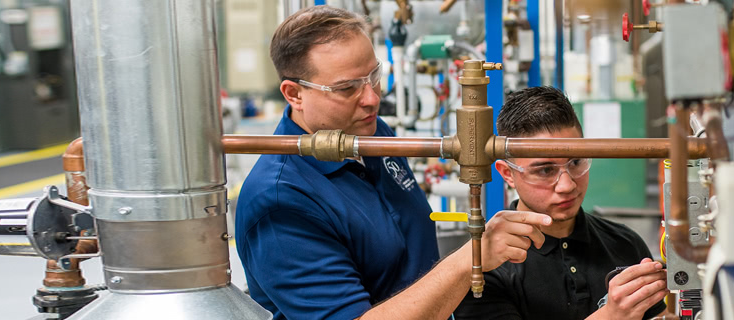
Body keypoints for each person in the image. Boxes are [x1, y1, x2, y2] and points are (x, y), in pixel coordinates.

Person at [235, 6, 551, 320]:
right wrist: (470, 257)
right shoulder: (280, 202)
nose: (372, 98)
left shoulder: (371, 133)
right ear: (294, 94)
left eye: (374, 76)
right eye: (347, 88)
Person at [454, 87, 669, 320]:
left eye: (576, 161)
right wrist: (611, 316)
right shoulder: (484, 266)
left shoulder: (625, 243)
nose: (567, 185)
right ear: (507, 174)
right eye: (545, 170)